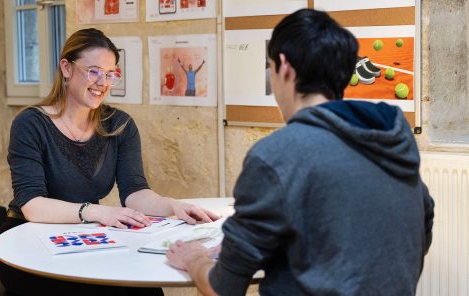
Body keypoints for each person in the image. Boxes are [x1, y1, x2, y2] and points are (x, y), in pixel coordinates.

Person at [166, 9, 434, 296]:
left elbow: (223, 288)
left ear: (284, 66)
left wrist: (194, 258)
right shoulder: (391, 139)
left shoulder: (277, 155)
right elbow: (418, 229)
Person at [0, 28, 219, 296]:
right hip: (28, 243)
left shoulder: (120, 125)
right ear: (66, 68)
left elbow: (135, 192)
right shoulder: (31, 124)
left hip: (84, 239)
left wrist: (173, 206)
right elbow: (32, 205)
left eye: (110, 73)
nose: (103, 82)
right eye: (93, 71)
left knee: (145, 289)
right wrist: (98, 212)